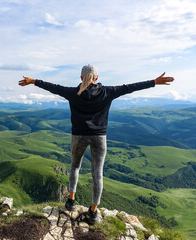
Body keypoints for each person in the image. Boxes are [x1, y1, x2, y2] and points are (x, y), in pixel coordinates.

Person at [18, 65, 174, 225]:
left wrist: (33, 81)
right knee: (97, 174)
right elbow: (130, 88)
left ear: (81, 78)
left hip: (78, 135)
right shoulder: (107, 92)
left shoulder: (73, 93)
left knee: (75, 167)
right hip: (99, 137)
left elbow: (54, 88)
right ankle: (93, 211)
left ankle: (71, 201)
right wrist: (154, 82)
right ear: (97, 78)